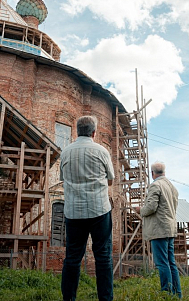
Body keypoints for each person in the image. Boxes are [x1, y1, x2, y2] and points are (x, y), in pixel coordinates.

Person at [59, 115, 115, 301]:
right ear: (94, 132)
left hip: (74, 212)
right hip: (99, 209)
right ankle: (105, 299)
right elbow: (111, 179)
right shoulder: (102, 151)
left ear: (76, 131)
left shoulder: (66, 152)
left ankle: (69, 299)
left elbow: (62, 178)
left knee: (72, 258)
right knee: (103, 257)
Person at [137, 161, 182, 298]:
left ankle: (167, 293)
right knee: (171, 262)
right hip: (170, 227)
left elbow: (151, 207)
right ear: (164, 172)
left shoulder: (155, 185)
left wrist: (140, 210)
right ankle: (177, 293)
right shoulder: (171, 186)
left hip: (159, 230)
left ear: (152, 173)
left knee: (162, 263)